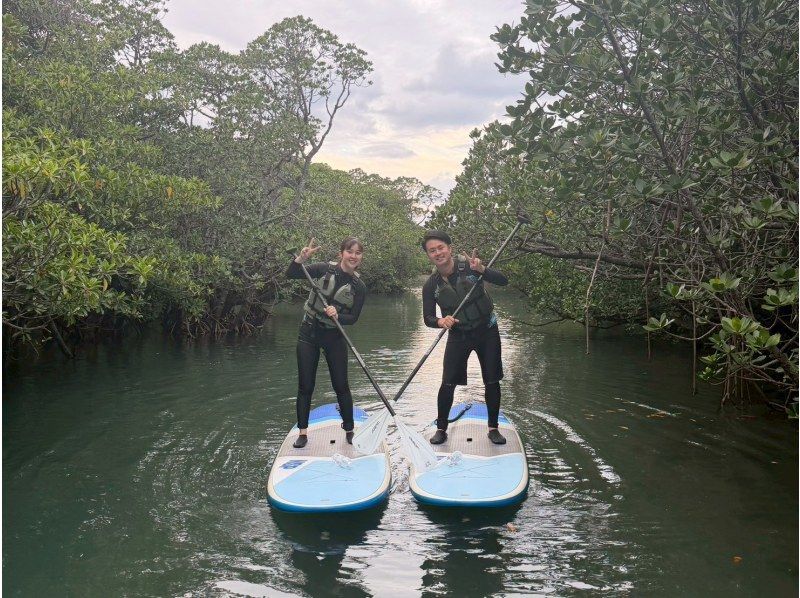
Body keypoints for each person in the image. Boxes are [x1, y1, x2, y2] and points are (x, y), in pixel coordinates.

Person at [421, 230, 509, 445]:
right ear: (428, 255)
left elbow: (503, 281)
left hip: (487, 331)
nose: (438, 253)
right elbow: (428, 318)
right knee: (448, 382)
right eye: (432, 251)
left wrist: (482, 270)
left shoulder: (470, 268)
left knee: (492, 380)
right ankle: (441, 428)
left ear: (449, 248)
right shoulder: (430, 285)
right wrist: (441, 321)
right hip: (459, 335)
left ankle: (493, 428)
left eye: (441, 248)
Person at [286, 237, 366, 448]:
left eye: (358, 253)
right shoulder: (323, 269)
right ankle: (303, 433)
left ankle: (349, 429)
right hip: (309, 333)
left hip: (334, 336)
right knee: (305, 385)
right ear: (341, 253)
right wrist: (300, 259)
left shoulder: (359, 286)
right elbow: (291, 274)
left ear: (361, 257)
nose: (353, 256)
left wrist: (338, 315)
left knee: (341, 385)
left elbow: (353, 318)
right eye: (350, 251)